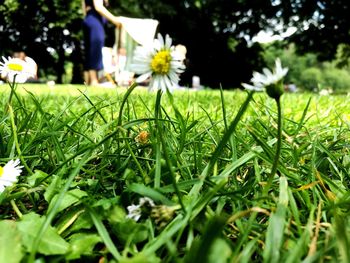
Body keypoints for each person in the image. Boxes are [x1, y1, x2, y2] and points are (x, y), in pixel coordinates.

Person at [82, 0, 121, 86]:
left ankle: (87, 81)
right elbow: (98, 7)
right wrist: (115, 20)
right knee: (95, 50)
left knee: (89, 50)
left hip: (88, 19)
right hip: (95, 20)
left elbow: (84, 9)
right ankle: (94, 81)